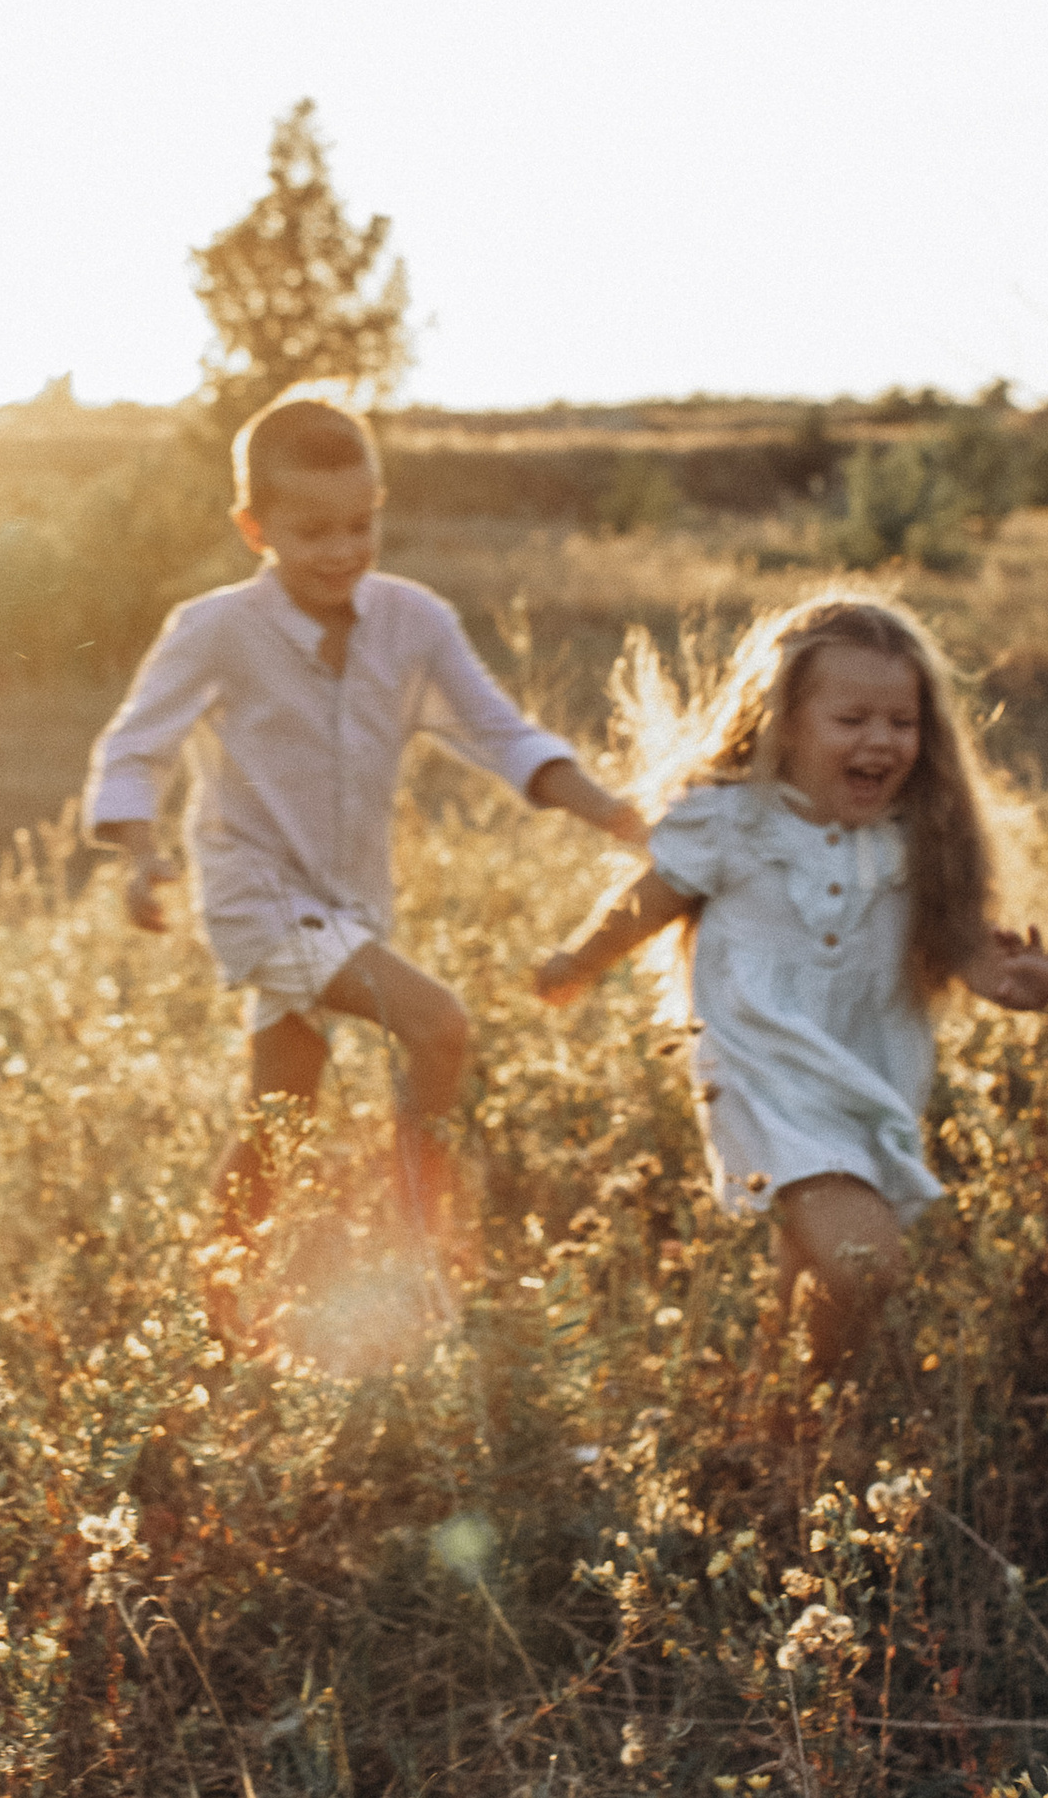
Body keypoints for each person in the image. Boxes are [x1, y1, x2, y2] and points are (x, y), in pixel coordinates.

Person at [86, 394, 644, 1309]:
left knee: (281, 1115)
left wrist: (616, 816)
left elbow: (501, 735)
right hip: (257, 900)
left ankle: (214, 1304)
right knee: (439, 1024)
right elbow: (135, 746)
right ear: (252, 527)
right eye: (312, 531)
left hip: (350, 901)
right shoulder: (215, 630)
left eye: (362, 523)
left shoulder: (411, 621)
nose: (342, 550)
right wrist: (140, 855)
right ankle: (423, 1238)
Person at [532, 594, 1048, 1385]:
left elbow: (958, 950)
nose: (880, 741)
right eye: (851, 720)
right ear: (784, 721)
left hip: (865, 1074)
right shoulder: (736, 823)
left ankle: (777, 1409)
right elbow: (652, 898)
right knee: (865, 1261)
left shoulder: (914, 837)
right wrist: (579, 960)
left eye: (901, 722)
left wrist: (1014, 986)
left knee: (809, 1264)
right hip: (761, 1070)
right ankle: (824, 1398)